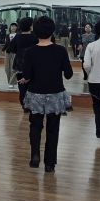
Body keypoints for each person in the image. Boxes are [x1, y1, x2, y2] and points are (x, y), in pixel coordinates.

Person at [19, 16, 73, 173]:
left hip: (35, 94)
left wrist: (25, 79)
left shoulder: (30, 52)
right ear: (52, 31)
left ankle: (35, 155)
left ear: (35, 31)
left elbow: (27, 75)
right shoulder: (60, 50)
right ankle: (50, 163)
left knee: (35, 126)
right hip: (55, 94)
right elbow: (68, 74)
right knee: (53, 129)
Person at [9, 17, 38, 109]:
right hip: (32, 64)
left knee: (21, 86)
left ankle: (24, 104)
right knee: (32, 85)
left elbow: (11, 49)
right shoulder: (35, 37)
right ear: (30, 26)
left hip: (20, 64)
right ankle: (32, 105)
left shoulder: (17, 37)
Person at [3, 22, 19, 88]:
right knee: (7, 68)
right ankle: (9, 81)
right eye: (12, 26)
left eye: (15, 26)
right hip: (7, 53)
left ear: (17, 28)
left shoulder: (18, 35)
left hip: (15, 53)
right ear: (10, 27)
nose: (13, 27)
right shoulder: (7, 35)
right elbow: (6, 44)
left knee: (13, 68)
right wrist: (3, 50)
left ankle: (12, 82)